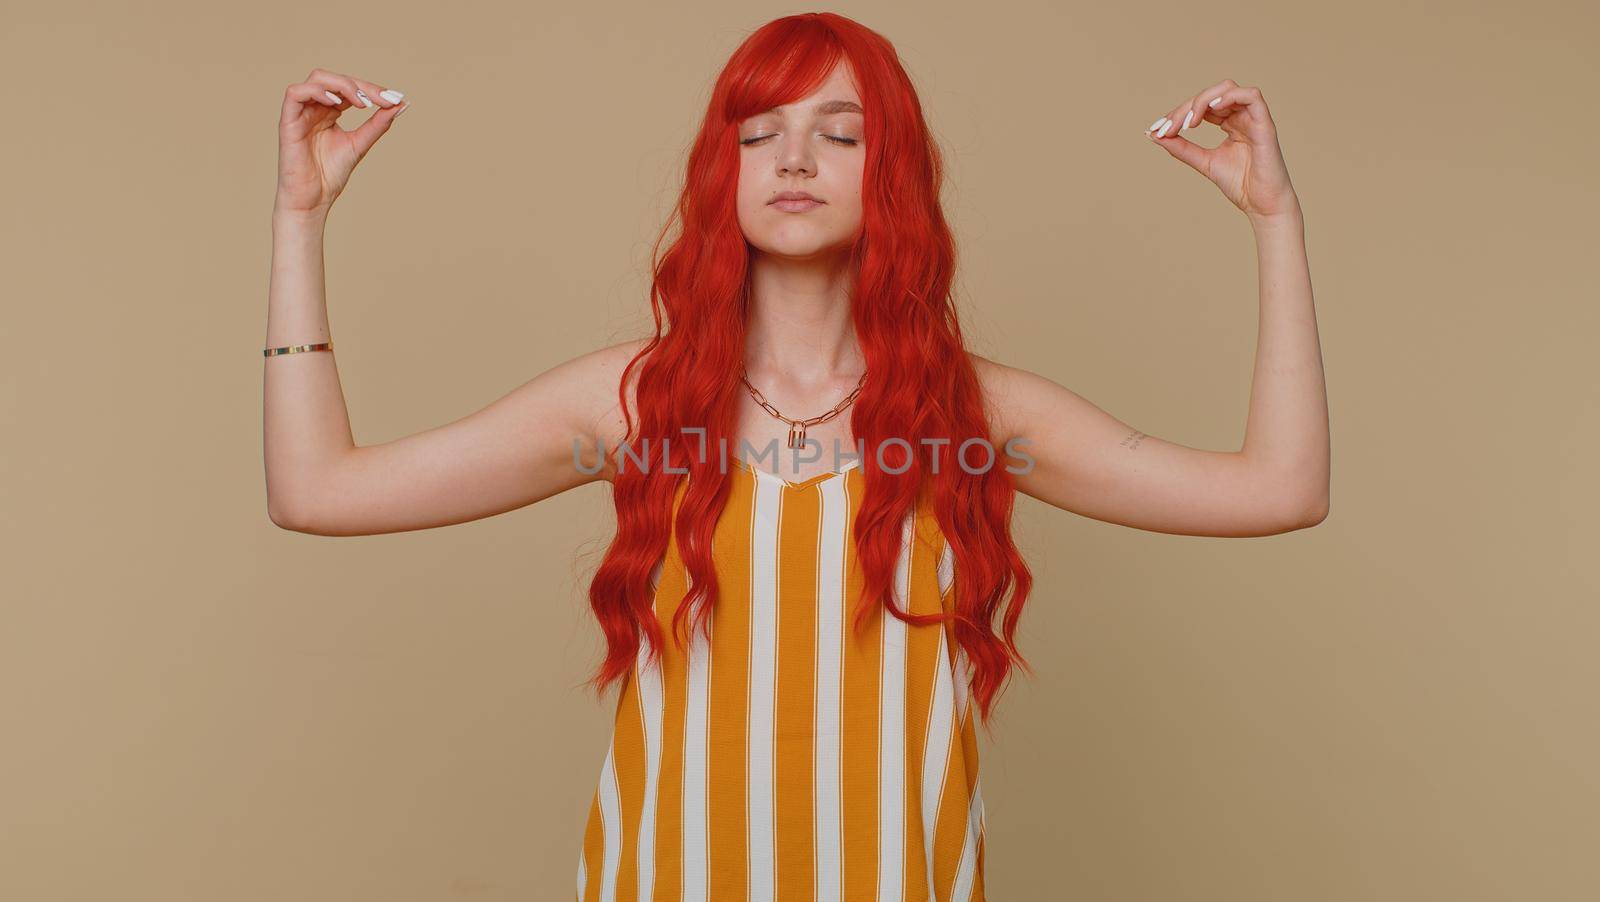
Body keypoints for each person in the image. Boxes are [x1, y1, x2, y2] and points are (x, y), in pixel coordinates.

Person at [263, 12, 1327, 902]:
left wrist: (1275, 222)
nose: (797, 160)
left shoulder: (973, 412)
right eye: (759, 132)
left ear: (893, 171)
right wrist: (299, 218)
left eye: (842, 134)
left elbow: (1279, 490)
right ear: (722, 169)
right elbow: (317, 490)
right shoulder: (635, 403)